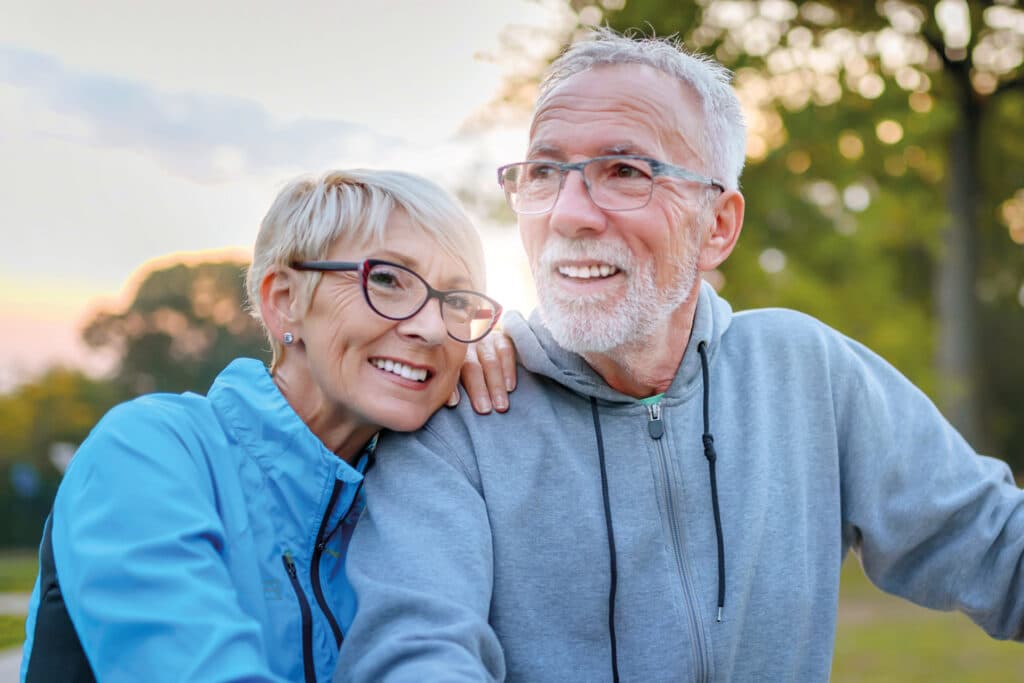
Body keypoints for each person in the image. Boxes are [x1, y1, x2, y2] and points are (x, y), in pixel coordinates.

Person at [335, 29, 1024, 682]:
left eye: (626, 171)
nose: (570, 213)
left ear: (717, 226)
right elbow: (413, 651)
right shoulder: (458, 415)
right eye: (546, 171)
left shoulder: (805, 371)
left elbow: (997, 547)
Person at [20, 169, 515, 683]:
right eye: (387, 280)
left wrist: (510, 368)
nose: (432, 329)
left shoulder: (416, 501)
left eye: (456, 302)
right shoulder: (147, 452)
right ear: (284, 301)